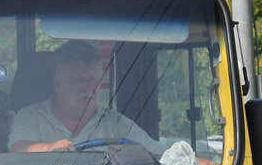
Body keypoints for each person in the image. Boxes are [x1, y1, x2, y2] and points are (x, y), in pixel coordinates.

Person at [9, 40, 164, 156]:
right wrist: (49, 148)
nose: (88, 87)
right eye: (78, 80)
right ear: (57, 85)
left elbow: (159, 155)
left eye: (93, 80)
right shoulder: (31, 116)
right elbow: (19, 149)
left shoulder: (115, 122)